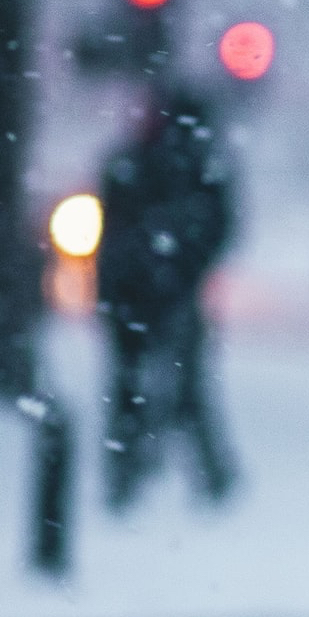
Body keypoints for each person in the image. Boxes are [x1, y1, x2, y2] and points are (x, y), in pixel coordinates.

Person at [96, 84, 238, 510]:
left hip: (150, 292)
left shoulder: (150, 164)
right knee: (164, 385)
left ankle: (134, 476)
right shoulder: (182, 166)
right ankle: (151, 475)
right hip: (144, 292)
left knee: (159, 386)